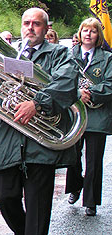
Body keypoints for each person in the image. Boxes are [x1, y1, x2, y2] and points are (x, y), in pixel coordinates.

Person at [0, 8, 78, 234]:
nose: (30, 27)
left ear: (46, 28)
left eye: (36, 24)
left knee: (38, 210)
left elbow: (67, 83)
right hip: (7, 141)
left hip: (40, 146)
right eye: (27, 22)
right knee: (4, 197)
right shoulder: (8, 55)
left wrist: (36, 103)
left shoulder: (59, 54)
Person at [65, 17, 112, 216]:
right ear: (80, 33)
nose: (88, 34)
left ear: (98, 35)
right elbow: (60, 80)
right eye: (85, 30)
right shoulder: (69, 55)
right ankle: (75, 185)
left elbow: (110, 83)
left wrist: (90, 92)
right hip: (75, 113)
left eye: (93, 31)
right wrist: (77, 93)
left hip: (97, 115)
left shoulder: (108, 58)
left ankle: (91, 201)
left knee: (94, 160)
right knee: (72, 156)